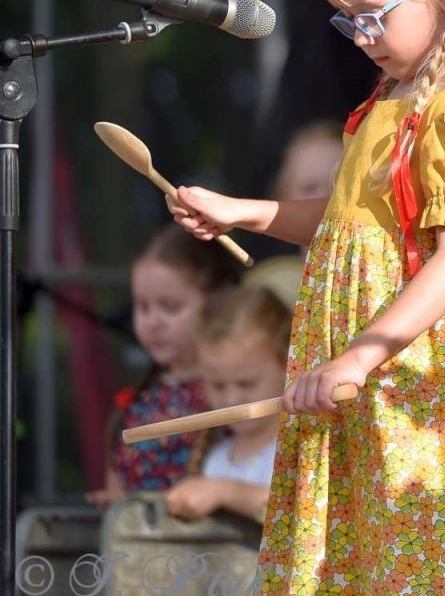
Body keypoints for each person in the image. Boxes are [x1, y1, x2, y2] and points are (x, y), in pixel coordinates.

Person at [166, 0, 445, 596]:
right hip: (351, 378)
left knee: (409, 558)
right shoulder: (388, 99)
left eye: (372, 16)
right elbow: (345, 225)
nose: (361, 37)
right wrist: (245, 213)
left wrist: (362, 355)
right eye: (346, 21)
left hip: (405, 385)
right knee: (349, 560)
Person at [89, 225, 242, 509]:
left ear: (218, 301)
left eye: (170, 307)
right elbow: (117, 481)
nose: (153, 321)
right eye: (143, 307)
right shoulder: (137, 404)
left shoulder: (234, 396)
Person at [164, 285, 293, 523]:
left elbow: (300, 514)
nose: (231, 400)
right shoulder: (216, 460)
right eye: (217, 386)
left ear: (288, 365)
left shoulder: (301, 449)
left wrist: (226, 493)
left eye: (246, 384)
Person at [244, 120, 345, 311]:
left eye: (338, 185)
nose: (324, 199)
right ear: (284, 198)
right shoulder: (269, 291)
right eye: (309, 188)